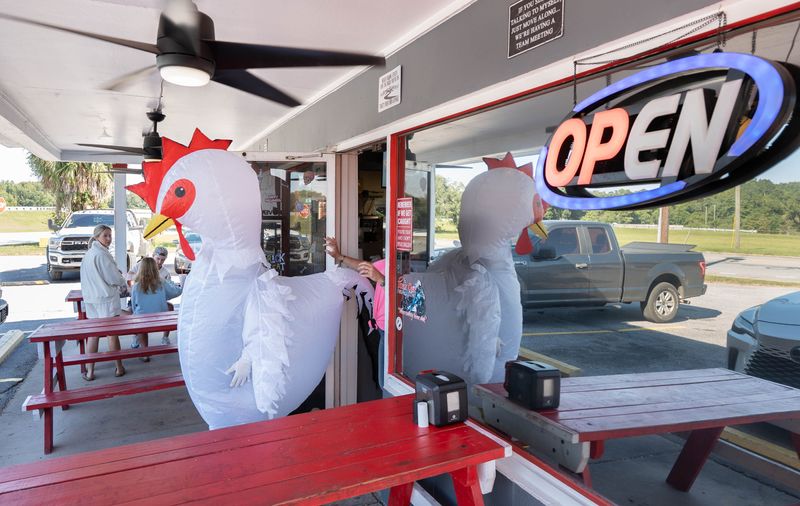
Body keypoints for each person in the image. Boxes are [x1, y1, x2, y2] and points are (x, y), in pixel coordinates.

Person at [324, 237, 386, 387]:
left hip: (394, 332)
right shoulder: (388, 262)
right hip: (381, 328)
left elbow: (404, 293)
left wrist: (381, 280)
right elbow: (364, 266)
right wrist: (340, 257)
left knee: (387, 381)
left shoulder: (405, 266)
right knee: (381, 377)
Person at [79, 224, 128, 380]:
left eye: (109, 235)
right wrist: (121, 279)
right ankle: (119, 367)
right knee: (112, 335)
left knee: (93, 336)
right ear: (97, 237)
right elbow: (113, 278)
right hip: (105, 300)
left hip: (92, 299)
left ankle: (90, 371)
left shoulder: (89, 254)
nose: (108, 238)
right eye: (105, 235)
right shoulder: (101, 255)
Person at [130, 257, 182, 360]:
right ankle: (165, 337)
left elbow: (133, 304)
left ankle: (145, 351)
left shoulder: (136, 286)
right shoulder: (161, 282)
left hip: (142, 319)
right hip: (161, 318)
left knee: (137, 316)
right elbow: (176, 291)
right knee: (170, 306)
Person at [127, 246, 176, 346]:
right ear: (153, 256)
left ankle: (165, 337)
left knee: (169, 307)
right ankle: (136, 336)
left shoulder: (165, 273)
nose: (159, 262)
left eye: (162, 260)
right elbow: (130, 275)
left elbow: (169, 292)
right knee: (131, 311)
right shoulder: (141, 265)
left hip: (153, 300)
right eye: (157, 259)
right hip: (141, 298)